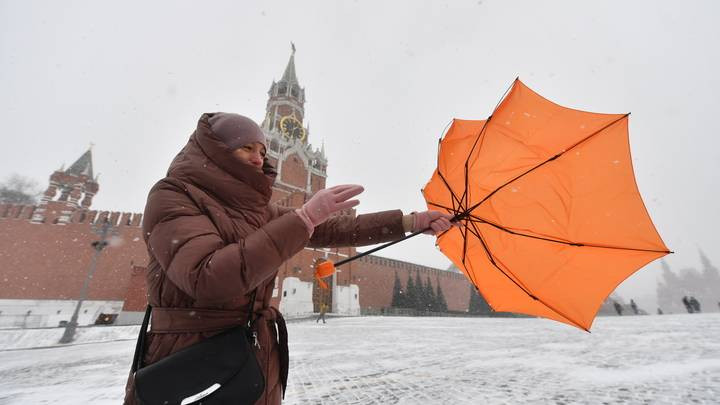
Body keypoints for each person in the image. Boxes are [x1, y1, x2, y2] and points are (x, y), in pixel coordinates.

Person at [122, 113, 456, 405]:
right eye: (246, 148)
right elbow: (207, 279)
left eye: (263, 150)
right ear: (217, 151)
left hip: (252, 353)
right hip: (193, 355)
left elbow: (335, 230)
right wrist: (303, 219)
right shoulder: (174, 195)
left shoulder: (255, 208)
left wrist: (410, 222)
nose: (258, 158)